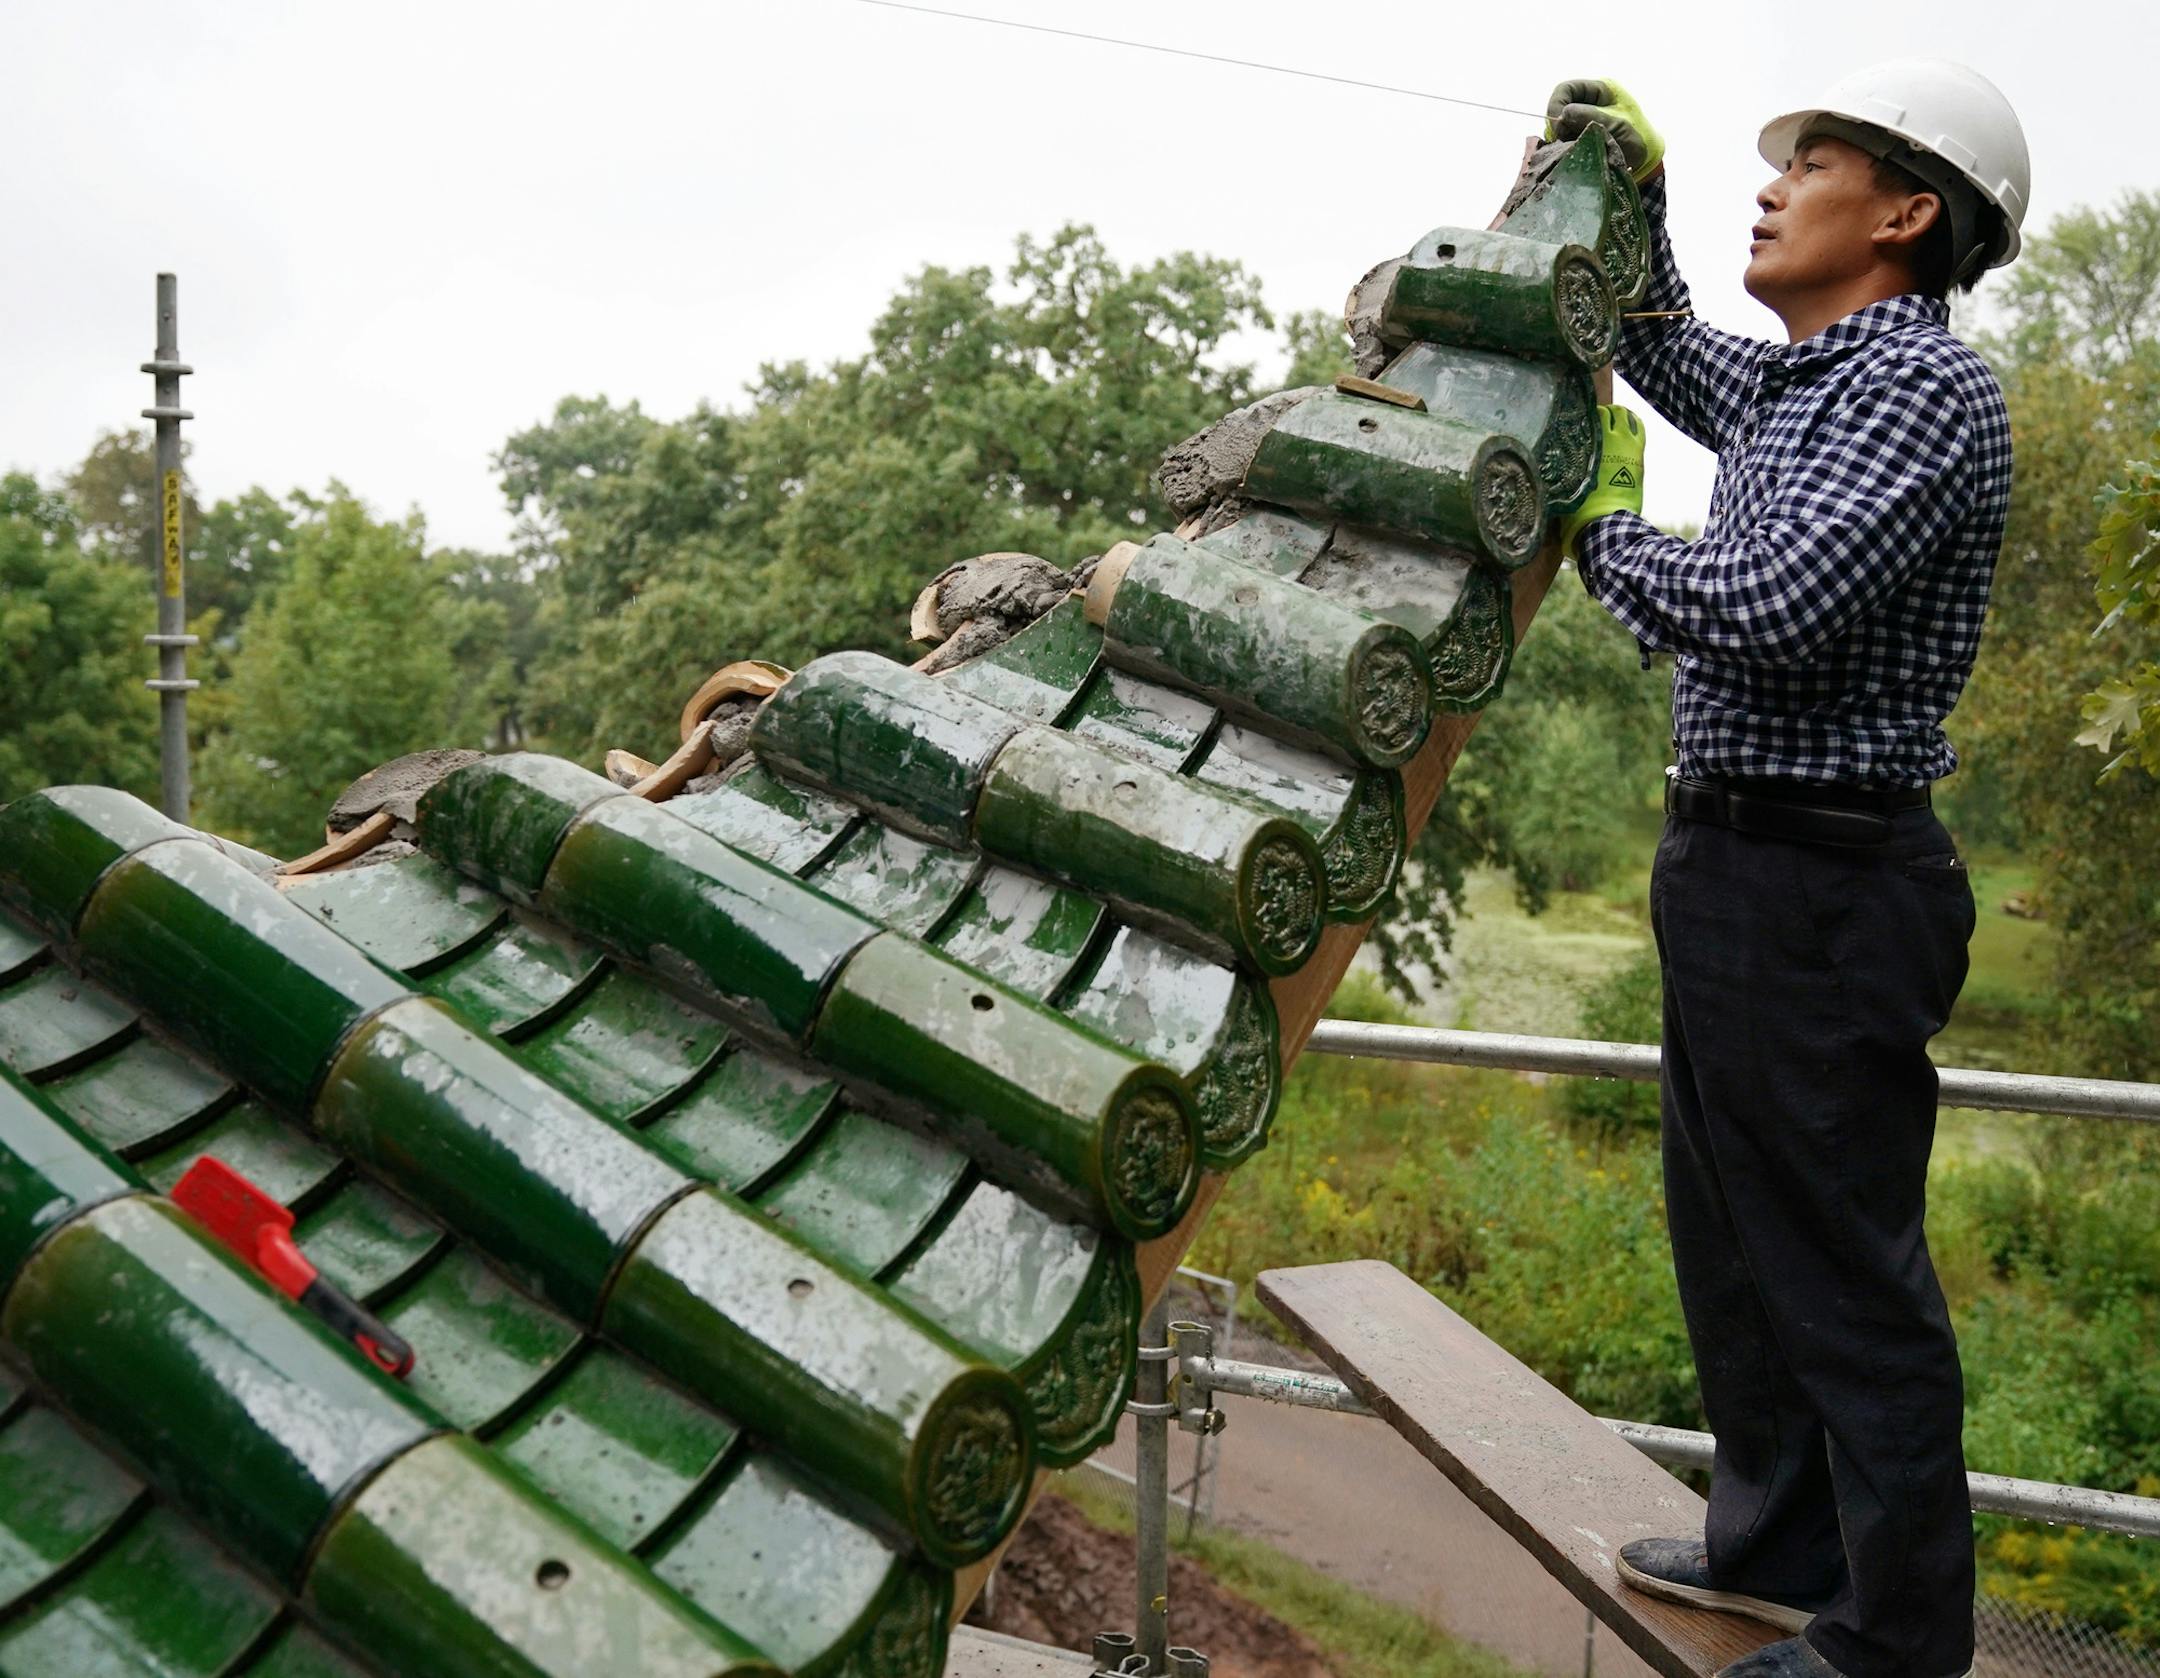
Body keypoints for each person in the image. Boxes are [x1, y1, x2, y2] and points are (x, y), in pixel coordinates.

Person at [1543, 62, 2031, 1678]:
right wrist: (1626, 197)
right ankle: (1780, 1545)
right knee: (1736, 1238)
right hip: (1743, 866)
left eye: (1807, 161)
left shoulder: (1916, 392)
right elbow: (1671, 349)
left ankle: (1897, 1637)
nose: (1776, 182)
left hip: (1827, 889)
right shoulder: (1812, 384)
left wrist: (1607, 522)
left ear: (1904, 213)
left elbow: (1760, 601)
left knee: (1839, 1264)